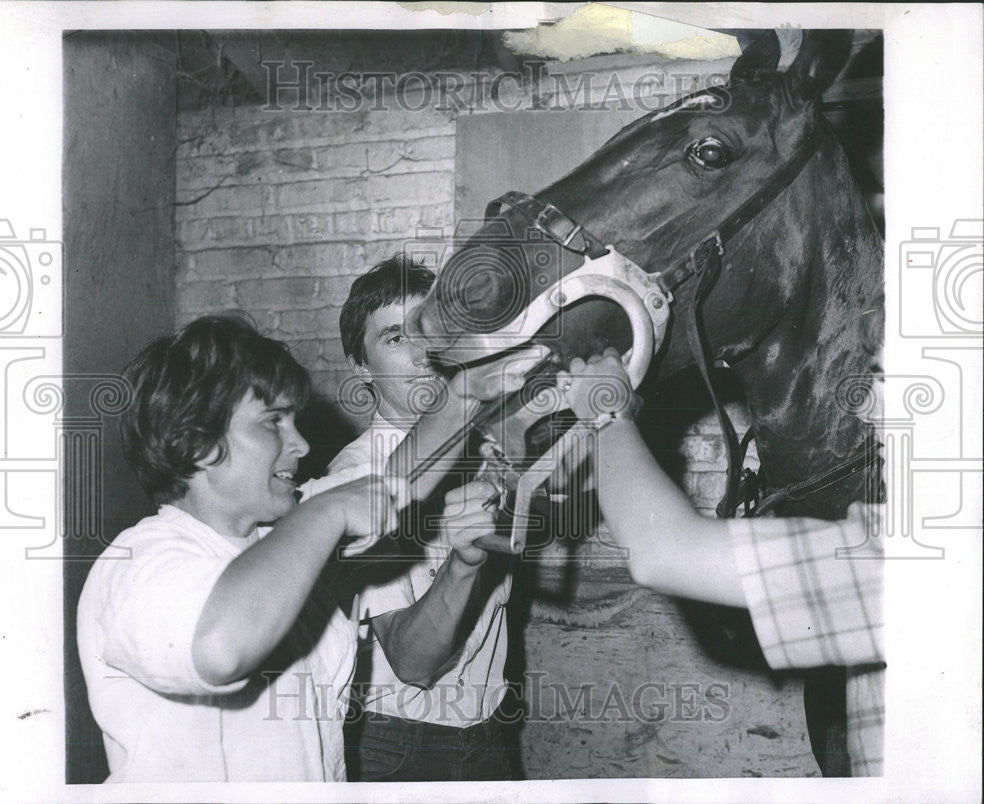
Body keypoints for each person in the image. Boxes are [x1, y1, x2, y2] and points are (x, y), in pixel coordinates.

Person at [75, 314, 478, 782]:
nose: (302, 444)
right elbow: (220, 649)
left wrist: (481, 380)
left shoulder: (277, 537)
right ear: (196, 443)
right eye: (273, 422)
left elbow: (397, 479)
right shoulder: (138, 563)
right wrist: (325, 513)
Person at [558, 348, 885, 777]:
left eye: (887, 377)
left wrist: (606, 411)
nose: (868, 402)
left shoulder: (904, 564)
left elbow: (663, 552)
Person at [302, 255, 518, 782]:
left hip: (490, 732)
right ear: (360, 364)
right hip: (403, 747)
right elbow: (411, 661)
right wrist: (463, 566)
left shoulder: (484, 449)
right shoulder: (356, 481)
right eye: (396, 338)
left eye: (430, 330)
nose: (422, 353)